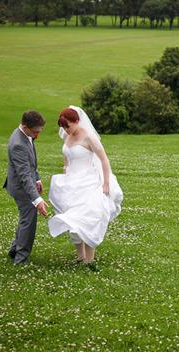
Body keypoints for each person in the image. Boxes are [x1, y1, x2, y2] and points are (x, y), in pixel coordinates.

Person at [48, 106, 123, 267]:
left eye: (68, 126)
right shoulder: (67, 136)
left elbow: (104, 159)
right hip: (72, 183)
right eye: (63, 127)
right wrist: (66, 169)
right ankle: (80, 256)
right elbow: (66, 155)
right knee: (72, 219)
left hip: (88, 182)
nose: (66, 130)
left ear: (77, 121)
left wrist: (105, 184)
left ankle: (89, 260)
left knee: (88, 218)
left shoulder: (88, 137)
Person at [4, 111, 49, 265]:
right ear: (25, 126)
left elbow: (30, 162)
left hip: (27, 182)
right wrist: (37, 199)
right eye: (35, 131)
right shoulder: (17, 144)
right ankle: (21, 259)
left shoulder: (24, 134)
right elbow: (23, 175)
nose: (37, 135)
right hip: (21, 187)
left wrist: (37, 178)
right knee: (28, 221)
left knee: (25, 219)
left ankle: (14, 249)